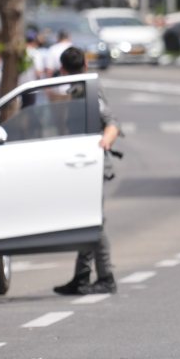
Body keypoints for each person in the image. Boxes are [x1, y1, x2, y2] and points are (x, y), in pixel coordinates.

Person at [51, 46, 121, 295]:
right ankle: (82, 276)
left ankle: (105, 276)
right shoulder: (79, 88)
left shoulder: (87, 90)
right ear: (84, 65)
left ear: (62, 69)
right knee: (88, 218)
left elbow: (110, 122)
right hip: (83, 162)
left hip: (90, 163)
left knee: (94, 221)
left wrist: (105, 141)